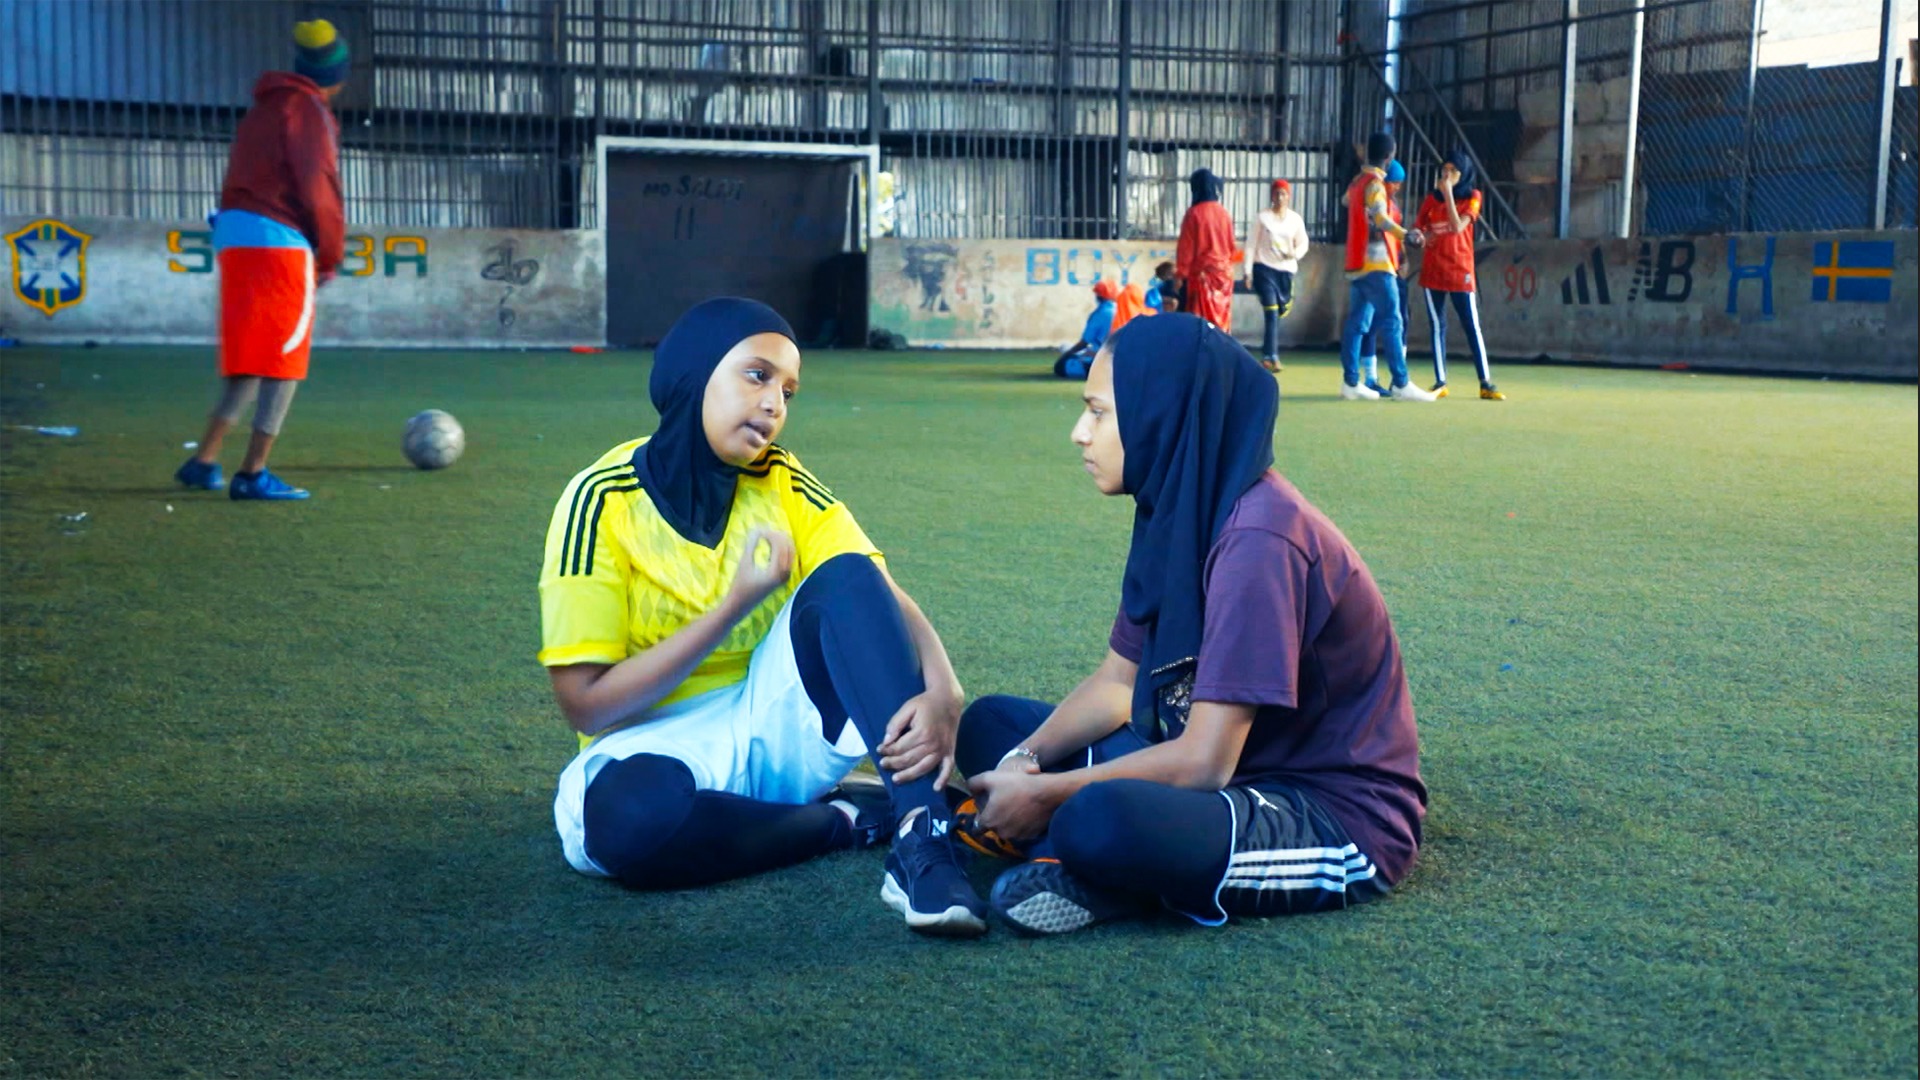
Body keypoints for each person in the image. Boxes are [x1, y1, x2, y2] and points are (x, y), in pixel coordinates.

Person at [951, 315, 1428, 936]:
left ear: (1161, 415)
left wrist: (1050, 794)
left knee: (1096, 818)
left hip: (1325, 811)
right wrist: (1025, 761)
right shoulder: (1176, 509)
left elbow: (1205, 762)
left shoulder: (1261, 539)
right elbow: (1117, 685)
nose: (1079, 433)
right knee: (991, 726)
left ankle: (1099, 862)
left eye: (1098, 413)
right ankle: (1104, 859)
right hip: (1219, 772)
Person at [538, 298, 987, 937]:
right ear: (694, 373)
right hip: (646, 742)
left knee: (846, 575)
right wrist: (734, 607)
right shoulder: (599, 501)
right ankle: (841, 821)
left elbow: (875, 589)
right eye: (757, 376)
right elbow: (587, 707)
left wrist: (944, 684)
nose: (775, 404)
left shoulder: (782, 479)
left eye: (788, 391)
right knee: (627, 823)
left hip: (771, 719)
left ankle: (923, 835)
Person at [173, 20, 350, 501]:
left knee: (252, 353)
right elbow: (319, 186)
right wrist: (329, 255)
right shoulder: (308, 110)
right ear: (335, 75)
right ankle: (253, 473)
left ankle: (203, 460)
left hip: (236, 233)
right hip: (278, 239)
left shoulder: (263, 109)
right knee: (283, 358)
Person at [1339, 133, 1435, 402]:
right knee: (1393, 320)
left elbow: (1346, 201)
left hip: (1357, 262)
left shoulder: (1357, 182)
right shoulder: (1375, 184)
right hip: (1377, 264)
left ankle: (1350, 382)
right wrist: (1407, 235)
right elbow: (1381, 218)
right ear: (1389, 156)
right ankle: (1401, 383)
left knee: (1357, 323)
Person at [1415, 151, 1505, 401]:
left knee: (1471, 326)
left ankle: (1485, 382)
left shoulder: (1473, 197)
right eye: (1445, 169)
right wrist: (1421, 237)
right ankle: (1440, 381)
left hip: (1460, 269)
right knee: (1437, 325)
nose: (1447, 175)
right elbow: (1419, 229)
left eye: (1453, 171)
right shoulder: (1430, 200)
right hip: (1433, 269)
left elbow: (1457, 227)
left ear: (1463, 174)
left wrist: (1448, 194)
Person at [1356, 160, 1413, 394]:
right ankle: (1371, 377)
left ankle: (1398, 376)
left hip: (1393, 266)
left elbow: (1397, 237)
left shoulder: (1395, 207)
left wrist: (1404, 259)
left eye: (1399, 183)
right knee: (1371, 322)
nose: (1397, 187)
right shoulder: (1372, 204)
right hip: (1376, 267)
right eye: (1394, 183)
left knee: (1402, 318)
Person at [1243, 179, 1310, 373]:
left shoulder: (1295, 220)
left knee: (1278, 312)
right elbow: (1251, 245)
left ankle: (1268, 351)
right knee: (1271, 310)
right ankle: (1270, 356)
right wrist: (1248, 272)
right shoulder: (1262, 218)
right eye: (1276, 194)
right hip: (1263, 269)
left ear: (1288, 197)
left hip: (1286, 271)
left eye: (1283, 194)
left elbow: (1303, 243)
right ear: (1271, 196)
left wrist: (1294, 254)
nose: (1280, 198)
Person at [1174, 170, 1241, 330]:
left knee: (1199, 323)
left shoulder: (1193, 214)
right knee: (1221, 322)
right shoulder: (1224, 213)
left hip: (1201, 278)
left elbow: (1186, 250)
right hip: (1224, 277)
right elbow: (1232, 248)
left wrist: (1180, 275)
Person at [1055, 280, 1120, 379]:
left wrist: (1066, 355)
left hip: (1099, 360)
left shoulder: (1100, 313)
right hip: (1116, 360)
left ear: (1098, 296)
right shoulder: (1122, 311)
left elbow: (1084, 342)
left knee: (1060, 365)